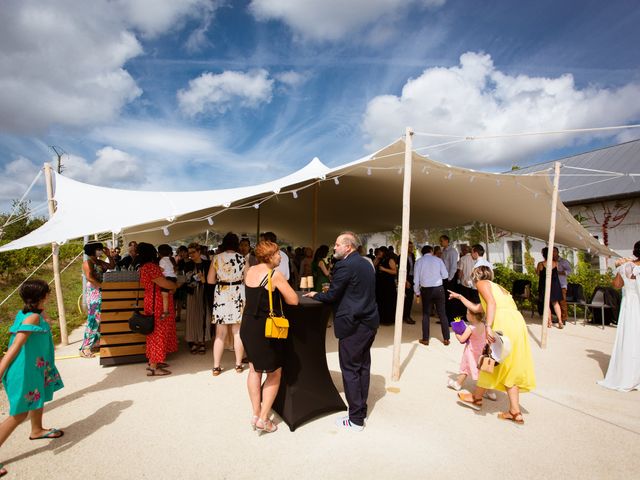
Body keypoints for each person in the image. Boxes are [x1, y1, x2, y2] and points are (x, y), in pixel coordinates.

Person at [306, 232, 379, 431]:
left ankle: (355, 419)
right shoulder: (366, 263)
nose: (334, 247)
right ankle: (360, 410)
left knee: (350, 370)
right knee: (362, 367)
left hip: (354, 325)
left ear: (348, 247)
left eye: (337, 244)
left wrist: (317, 294)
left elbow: (332, 296)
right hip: (369, 322)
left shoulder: (345, 265)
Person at [448, 266, 536, 424]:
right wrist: (460, 297)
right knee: (508, 364)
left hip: (504, 322)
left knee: (490, 360)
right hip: (516, 322)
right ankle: (515, 411)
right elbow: (477, 308)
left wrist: (488, 326)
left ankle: (476, 398)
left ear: (476, 276)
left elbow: (491, 304)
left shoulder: (482, 283)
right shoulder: (498, 288)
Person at [0, 280, 65, 477]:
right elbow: (16, 346)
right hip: (24, 370)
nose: (49, 296)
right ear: (41, 297)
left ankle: (36, 430)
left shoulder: (32, 313)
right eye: (47, 293)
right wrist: (1, 368)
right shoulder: (31, 319)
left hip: (35, 367)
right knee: (19, 413)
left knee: (39, 396)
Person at [240, 241, 298, 434]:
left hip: (248, 325)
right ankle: (264, 419)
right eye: (278, 254)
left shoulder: (250, 271)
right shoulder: (275, 275)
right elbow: (293, 300)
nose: (280, 257)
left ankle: (256, 413)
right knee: (274, 372)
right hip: (266, 328)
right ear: (270, 256)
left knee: (254, 369)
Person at [598, 241, 640, 392]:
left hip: (628, 306)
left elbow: (616, 285)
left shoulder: (625, 267)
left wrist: (622, 271)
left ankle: (625, 373)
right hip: (638, 306)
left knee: (628, 338)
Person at [137, 243, 178, 376]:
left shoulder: (144, 267)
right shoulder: (151, 267)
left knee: (154, 331)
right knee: (158, 332)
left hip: (151, 300)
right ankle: (154, 366)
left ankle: (154, 360)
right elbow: (163, 283)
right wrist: (174, 286)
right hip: (158, 302)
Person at [208, 232, 246, 376]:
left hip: (222, 294)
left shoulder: (217, 258)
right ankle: (238, 365)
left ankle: (216, 367)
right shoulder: (242, 258)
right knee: (237, 332)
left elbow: (211, 280)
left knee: (220, 334)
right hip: (237, 293)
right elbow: (247, 280)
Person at [447, 309, 497, 401]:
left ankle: (457, 384)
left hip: (471, 351)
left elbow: (462, 339)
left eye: (467, 313)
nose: (466, 315)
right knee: (484, 371)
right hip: (481, 352)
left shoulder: (471, 328)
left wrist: (457, 333)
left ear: (472, 316)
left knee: (465, 368)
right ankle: (490, 392)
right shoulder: (484, 325)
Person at [80, 241, 115, 358]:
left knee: (100, 318)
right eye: (99, 249)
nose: (101, 250)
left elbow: (112, 266)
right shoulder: (87, 262)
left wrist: (109, 255)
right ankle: (85, 348)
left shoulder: (98, 261)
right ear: (93, 250)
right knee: (93, 319)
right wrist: (102, 286)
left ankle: (95, 343)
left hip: (100, 290)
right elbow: (89, 277)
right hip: (95, 292)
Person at [414, 245, 450, 346]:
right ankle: (446, 338)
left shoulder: (419, 262)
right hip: (439, 289)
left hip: (426, 290)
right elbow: (445, 275)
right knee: (442, 313)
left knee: (426, 314)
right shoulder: (438, 260)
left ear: (422, 253)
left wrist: (417, 292)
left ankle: (425, 339)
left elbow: (416, 280)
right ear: (431, 251)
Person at [184, 242, 212, 354]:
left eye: (193, 252)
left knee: (204, 316)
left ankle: (202, 341)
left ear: (199, 252)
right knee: (192, 316)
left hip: (205, 292)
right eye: (189, 252)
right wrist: (196, 277)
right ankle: (194, 341)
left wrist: (203, 280)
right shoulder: (188, 265)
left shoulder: (208, 263)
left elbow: (212, 279)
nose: (191, 255)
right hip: (192, 293)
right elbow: (187, 280)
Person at [536, 247, 564, 329]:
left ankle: (549, 322)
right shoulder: (555, 263)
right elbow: (557, 272)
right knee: (555, 303)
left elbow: (538, 273)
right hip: (555, 285)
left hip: (545, 285)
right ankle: (560, 321)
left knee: (547, 304)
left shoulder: (541, 264)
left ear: (543, 254)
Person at [373, 246, 397, 325]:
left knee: (388, 302)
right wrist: (377, 258)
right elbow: (372, 266)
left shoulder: (390, 260)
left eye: (380, 252)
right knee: (380, 302)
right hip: (380, 284)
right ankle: (380, 318)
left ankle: (388, 320)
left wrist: (384, 269)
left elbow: (394, 271)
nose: (379, 253)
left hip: (388, 285)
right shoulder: (379, 260)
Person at [440, 235, 459, 325]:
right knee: (445, 299)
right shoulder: (443, 251)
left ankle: (451, 320)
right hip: (444, 277)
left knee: (450, 299)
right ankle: (445, 319)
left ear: (447, 241)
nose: (440, 242)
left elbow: (453, 266)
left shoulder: (452, 251)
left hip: (450, 278)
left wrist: (450, 278)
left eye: (442, 241)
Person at [157, 244, 177, 319]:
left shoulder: (162, 260)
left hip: (168, 278)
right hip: (173, 278)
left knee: (164, 295)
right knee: (169, 294)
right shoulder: (170, 259)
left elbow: (161, 270)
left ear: (159, 253)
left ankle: (165, 311)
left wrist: (156, 269)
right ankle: (167, 310)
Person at [554, 247, 573, 324]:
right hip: (554, 284)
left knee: (562, 301)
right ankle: (558, 317)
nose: (553, 253)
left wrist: (560, 272)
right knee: (555, 302)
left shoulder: (563, 261)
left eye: (554, 251)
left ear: (558, 252)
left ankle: (564, 318)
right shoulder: (550, 261)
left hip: (562, 285)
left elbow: (569, 271)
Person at [400, 241, 417, 325]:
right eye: (409, 247)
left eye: (412, 247)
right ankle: (405, 316)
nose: (411, 248)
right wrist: (405, 280)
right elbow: (400, 270)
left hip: (412, 278)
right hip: (405, 278)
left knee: (410, 298)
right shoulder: (401, 257)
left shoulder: (413, 256)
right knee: (405, 299)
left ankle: (407, 315)